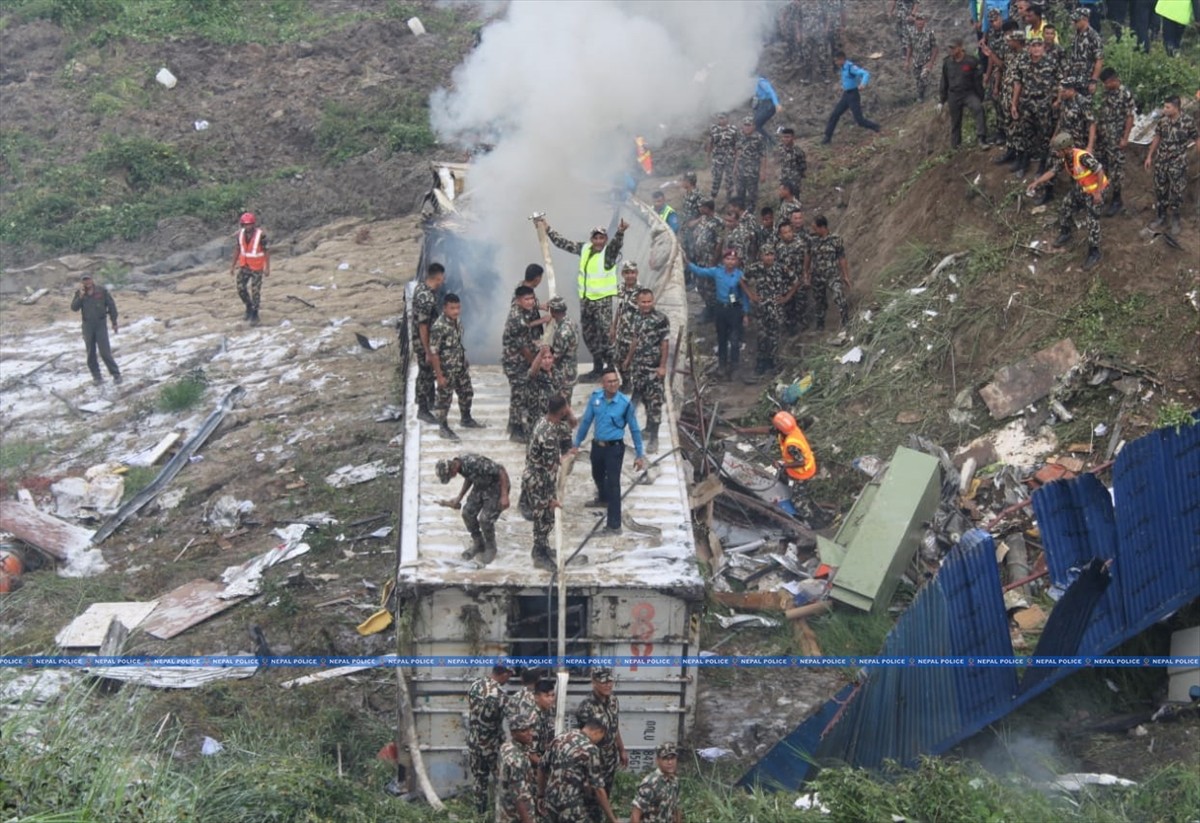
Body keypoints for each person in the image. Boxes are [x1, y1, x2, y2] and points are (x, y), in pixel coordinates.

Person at [539, 217, 628, 380]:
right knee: (589, 335)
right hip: (586, 301)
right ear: (591, 239)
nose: (598, 241)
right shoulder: (585, 249)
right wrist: (548, 229)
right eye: (596, 238)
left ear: (605, 239)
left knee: (606, 336)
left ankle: (611, 369)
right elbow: (564, 244)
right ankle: (597, 367)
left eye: (602, 238)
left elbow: (616, 245)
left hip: (602, 302)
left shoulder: (608, 254)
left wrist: (620, 232)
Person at [572, 369, 645, 535]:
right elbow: (586, 422)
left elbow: (635, 430)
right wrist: (576, 444)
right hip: (597, 446)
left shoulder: (625, 404)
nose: (613, 384)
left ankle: (614, 525)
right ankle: (603, 498)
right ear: (602, 384)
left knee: (614, 485)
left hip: (614, 449)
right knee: (597, 474)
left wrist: (639, 455)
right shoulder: (596, 398)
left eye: (615, 381)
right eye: (609, 381)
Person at [1027, 131, 1105, 270]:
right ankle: (1065, 232)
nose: (1057, 153)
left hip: (1094, 190)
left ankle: (1094, 252)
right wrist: (1037, 182)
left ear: (1067, 148)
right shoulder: (1065, 159)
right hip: (1082, 188)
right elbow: (1053, 171)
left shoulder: (1082, 157)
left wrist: (1098, 192)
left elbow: (1099, 171)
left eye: (1059, 151)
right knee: (1066, 206)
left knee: (1092, 220)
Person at [520, 395, 574, 572]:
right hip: (539, 482)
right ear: (562, 410)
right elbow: (548, 470)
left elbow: (568, 428)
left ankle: (543, 546)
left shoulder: (545, 422)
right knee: (543, 518)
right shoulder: (548, 435)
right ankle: (539, 553)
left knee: (546, 518)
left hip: (536, 477)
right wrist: (550, 498)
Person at [687, 250, 751, 379]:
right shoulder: (717, 272)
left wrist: (745, 313)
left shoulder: (740, 275)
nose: (730, 262)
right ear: (723, 261)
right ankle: (722, 366)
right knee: (722, 339)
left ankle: (734, 367)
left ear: (737, 262)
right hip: (721, 309)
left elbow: (745, 295)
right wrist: (687, 262)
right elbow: (700, 271)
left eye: (733, 259)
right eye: (728, 259)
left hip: (734, 310)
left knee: (734, 340)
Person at [435, 453, 509, 564]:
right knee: (467, 513)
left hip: (496, 486)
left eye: (450, 476)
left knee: (485, 519)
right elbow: (469, 477)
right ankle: (479, 543)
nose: (452, 477)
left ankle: (491, 547)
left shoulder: (473, 463)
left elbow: (501, 470)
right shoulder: (460, 466)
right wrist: (459, 497)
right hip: (481, 486)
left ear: (452, 469)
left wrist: (504, 495)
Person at [429, 293, 484, 441]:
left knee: (467, 392)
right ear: (445, 308)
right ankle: (443, 427)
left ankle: (466, 418)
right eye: (452, 308)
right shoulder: (439, 327)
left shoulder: (457, 322)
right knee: (444, 399)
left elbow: (458, 342)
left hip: (459, 367)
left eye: (458, 308)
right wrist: (439, 376)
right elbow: (434, 353)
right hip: (446, 370)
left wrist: (463, 358)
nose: (456, 311)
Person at [541, 719, 617, 823]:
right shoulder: (590, 749)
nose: (600, 741)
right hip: (571, 806)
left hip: (550, 803)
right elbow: (598, 789)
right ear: (598, 732)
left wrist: (540, 795)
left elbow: (542, 767)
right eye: (602, 738)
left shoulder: (560, 738)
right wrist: (612, 818)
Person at [623, 289, 670, 454]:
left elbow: (665, 343)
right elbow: (635, 339)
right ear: (638, 302)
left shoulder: (661, 319)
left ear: (653, 301)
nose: (646, 305)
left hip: (654, 368)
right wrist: (628, 359)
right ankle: (648, 428)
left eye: (649, 301)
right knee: (643, 398)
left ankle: (654, 438)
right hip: (639, 367)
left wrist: (662, 366)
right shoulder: (636, 317)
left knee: (655, 403)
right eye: (643, 302)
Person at [574, 668, 627, 817]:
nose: (608, 685)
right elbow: (583, 738)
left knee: (605, 795)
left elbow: (614, 727)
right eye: (604, 682)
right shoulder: (586, 707)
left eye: (610, 682)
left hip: (610, 758)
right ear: (594, 683)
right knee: (591, 797)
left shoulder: (613, 701)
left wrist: (621, 749)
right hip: (593, 759)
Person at [1144, 95, 1198, 238]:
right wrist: (1149, 156)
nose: (1165, 109)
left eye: (1167, 107)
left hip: (1178, 164)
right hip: (1161, 162)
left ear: (1176, 108)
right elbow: (1157, 137)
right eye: (1164, 106)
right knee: (1160, 190)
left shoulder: (1187, 122)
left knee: (1176, 192)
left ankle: (1175, 219)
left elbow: (1196, 138)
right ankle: (1161, 217)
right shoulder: (1163, 121)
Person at [744, 244, 798, 376]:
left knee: (775, 336)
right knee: (762, 336)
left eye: (771, 254)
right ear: (761, 256)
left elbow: (796, 281)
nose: (769, 257)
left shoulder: (781, 268)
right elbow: (742, 280)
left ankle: (773, 362)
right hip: (761, 308)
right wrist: (751, 295)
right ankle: (761, 363)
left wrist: (787, 297)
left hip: (776, 308)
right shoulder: (755, 268)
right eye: (766, 255)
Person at [1009, 37, 1060, 177]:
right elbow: (1018, 83)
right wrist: (1014, 104)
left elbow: (1060, 82)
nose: (1037, 48)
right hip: (1027, 104)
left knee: (1045, 135)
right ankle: (1025, 162)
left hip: (1044, 106)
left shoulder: (1052, 62)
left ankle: (1043, 164)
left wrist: (1058, 100)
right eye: (1034, 46)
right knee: (1026, 133)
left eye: (1039, 45)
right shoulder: (1023, 63)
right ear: (1029, 48)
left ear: (1043, 47)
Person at [467, 665, 514, 814]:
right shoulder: (499, 695)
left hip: (474, 742)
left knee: (479, 780)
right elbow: (509, 718)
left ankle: (479, 815)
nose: (509, 679)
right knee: (501, 780)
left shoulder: (475, 685)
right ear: (504, 674)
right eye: (509, 675)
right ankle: (499, 814)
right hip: (492, 746)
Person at [1096, 67, 1135, 217]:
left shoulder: (1125, 94)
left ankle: (1117, 200)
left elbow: (1130, 117)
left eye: (1106, 83)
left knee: (1116, 170)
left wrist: (1125, 138)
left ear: (1113, 80)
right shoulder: (1106, 92)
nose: (1105, 86)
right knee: (1103, 167)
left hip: (1116, 139)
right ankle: (1102, 195)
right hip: (1104, 137)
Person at [502, 286, 539, 442]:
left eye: (532, 298)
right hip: (515, 363)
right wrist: (534, 365)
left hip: (518, 360)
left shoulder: (524, 312)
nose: (530, 302)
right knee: (519, 395)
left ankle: (512, 424)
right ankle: (516, 431)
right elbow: (524, 348)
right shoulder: (517, 319)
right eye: (526, 299)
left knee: (520, 393)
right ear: (518, 301)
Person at [71, 273, 122, 385]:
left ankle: (116, 374)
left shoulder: (101, 291)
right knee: (91, 353)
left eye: (88, 279)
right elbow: (74, 308)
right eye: (84, 280)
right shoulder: (80, 293)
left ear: (92, 280)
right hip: (87, 325)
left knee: (105, 352)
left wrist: (114, 322)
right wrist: (80, 297)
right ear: (82, 282)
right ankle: (97, 376)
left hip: (100, 324)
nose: (87, 282)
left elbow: (111, 306)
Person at [411, 263, 445, 423]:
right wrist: (428, 351)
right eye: (442, 278)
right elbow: (423, 326)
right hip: (423, 342)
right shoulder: (427, 298)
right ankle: (422, 409)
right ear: (438, 277)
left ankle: (430, 401)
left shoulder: (421, 288)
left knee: (429, 373)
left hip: (426, 341)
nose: (443, 281)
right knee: (425, 374)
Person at [939, 38, 988, 150]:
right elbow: (944, 81)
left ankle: (981, 138)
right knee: (955, 121)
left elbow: (977, 80)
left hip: (968, 93)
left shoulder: (971, 61)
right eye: (949, 48)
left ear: (960, 47)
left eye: (953, 48)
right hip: (953, 95)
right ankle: (956, 146)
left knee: (978, 109)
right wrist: (941, 100)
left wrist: (981, 95)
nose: (951, 50)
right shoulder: (947, 63)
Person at [805, 215, 852, 331]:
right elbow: (808, 257)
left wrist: (845, 275)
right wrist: (806, 273)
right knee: (819, 302)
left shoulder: (835, 240)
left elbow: (842, 258)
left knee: (839, 296)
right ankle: (820, 326)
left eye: (815, 228)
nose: (813, 230)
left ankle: (846, 323)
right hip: (817, 276)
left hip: (832, 275)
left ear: (822, 227)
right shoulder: (812, 240)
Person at [823, 51, 881, 145]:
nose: (836, 63)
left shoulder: (850, 67)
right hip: (846, 95)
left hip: (853, 95)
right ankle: (827, 137)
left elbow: (865, 73)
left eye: (837, 60)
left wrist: (863, 84)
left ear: (842, 59)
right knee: (835, 114)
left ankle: (876, 127)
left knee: (859, 120)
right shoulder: (843, 68)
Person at [772, 411, 818, 519]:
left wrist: (782, 465)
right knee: (783, 479)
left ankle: (809, 519)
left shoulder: (791, 445)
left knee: (797, 501)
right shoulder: (792, 430)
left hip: (803, 474)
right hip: (797, 469)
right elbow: (769, 430)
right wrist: (744, 431)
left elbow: (801, 462)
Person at [497, 710, 539, 823]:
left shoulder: (507, 746)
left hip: (506, 809)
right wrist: (527, 820)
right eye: (524, 731)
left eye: (530, 729)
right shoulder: (515, 759)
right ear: (513, 733)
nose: (530, 733)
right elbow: (518, 797)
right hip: (516, 815)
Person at [229, 211, 269, 324]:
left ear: (253, 224)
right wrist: (232, 266)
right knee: (241, 288)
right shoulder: (240, 234)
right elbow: (237, 249)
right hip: (244, 266)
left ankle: (255, 313)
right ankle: (248, 306)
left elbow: (266, 251)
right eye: (245, 225)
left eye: (250, 224)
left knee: (255, 291)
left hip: (257, 267)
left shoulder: (261, 235)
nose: (248, 227)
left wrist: (267, 267)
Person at [629, 743, 682, 823]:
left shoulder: (675, 781)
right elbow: (635, 815)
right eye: (665, 759)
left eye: (672, 758)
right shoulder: (650, 783)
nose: (670, 762)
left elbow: (676, 808)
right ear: (657, 761)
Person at [610, 261, 644, 388]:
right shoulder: (621, 288)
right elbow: (619, 308)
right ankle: (626, 383)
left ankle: (635, 386)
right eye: (627, 273)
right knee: (618, 359)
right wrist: (613, 327)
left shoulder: (641, 292)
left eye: (632, 273)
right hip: (621, 332)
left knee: (632, 360)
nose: (630, 276)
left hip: (634, 333)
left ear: (637, 273)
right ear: (623, 274)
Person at [548, 297, 579, 405]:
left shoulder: (562, 332)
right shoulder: (570, 322)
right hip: (570, 368)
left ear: (552, 311)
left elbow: (556, 356)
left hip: (563, 372)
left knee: (562, 403)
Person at [733, 116, 767, 210]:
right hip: (740, 171)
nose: (747, 127)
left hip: (752, 172)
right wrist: (735, 167)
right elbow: (738, 152)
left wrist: (763, 172)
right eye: (745, 125)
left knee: (752, 196)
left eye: (749, 125)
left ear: (754, 126)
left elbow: (763, 156)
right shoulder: (740, 137)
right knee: (740, 194)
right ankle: (741, 214)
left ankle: (750, 214)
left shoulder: (759, 138)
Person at [1067, 7, 1103, 92]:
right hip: (1074, 78)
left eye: (1076, 21)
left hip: (1086, 80)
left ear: (1085, 19)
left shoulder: (1093, 37)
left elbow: (1099, 60)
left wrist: (1093, 81)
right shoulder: (1076, 35)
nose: (1074, 23)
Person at [906, 15, 939, 103]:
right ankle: (922, 96)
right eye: (918, 20)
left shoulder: (929, 33)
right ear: (915, 21)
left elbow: (935, 48)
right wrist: (907, 61)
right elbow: (909, 47)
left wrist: (931, 62)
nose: (920, 22)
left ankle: (923, 97)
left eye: (921, 20)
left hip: (926, 61)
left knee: (923, 77)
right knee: (918, 80)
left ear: (925, 21)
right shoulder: (911, 33)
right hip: (916, 62)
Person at [706, 113, 738, 199]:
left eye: (723, 118)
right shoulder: (714, 129)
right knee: (716, 177)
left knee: (729, 178)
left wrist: (736, 161)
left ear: (727, 118)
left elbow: (736, 145)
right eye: (720, 118)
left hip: (729, 157)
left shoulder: (733, 129)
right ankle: (713, 197)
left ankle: (729, 197)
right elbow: (710, 143)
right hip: (717, 157)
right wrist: (708, 156)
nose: (721, 120)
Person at [518, 263, 551, 341]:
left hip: (534, 335)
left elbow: (527, 306)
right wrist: (542, 320)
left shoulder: (526, 287)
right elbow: (520, 325)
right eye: (541, 277)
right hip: (528, 340)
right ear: (537, 279)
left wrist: (540, 306)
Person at [752, 75, 781, 146]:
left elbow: (771, 92)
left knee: (756, 125)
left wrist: (776, 104)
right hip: (764, 104)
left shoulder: (760, 81)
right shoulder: (755, 84)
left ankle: (771, 143)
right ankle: (769, 143)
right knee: (755, 124)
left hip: (769, 104)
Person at [776, 129, 807, 194]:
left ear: (793, 137)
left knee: (794, 198)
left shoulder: (798, 151)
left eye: (788, 137)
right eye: (784, 137)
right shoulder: (780, 149)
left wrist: (798, 178)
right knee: (783, 198)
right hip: (783, 180)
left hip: (794, 181)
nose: (786, 139)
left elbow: (803, 166)